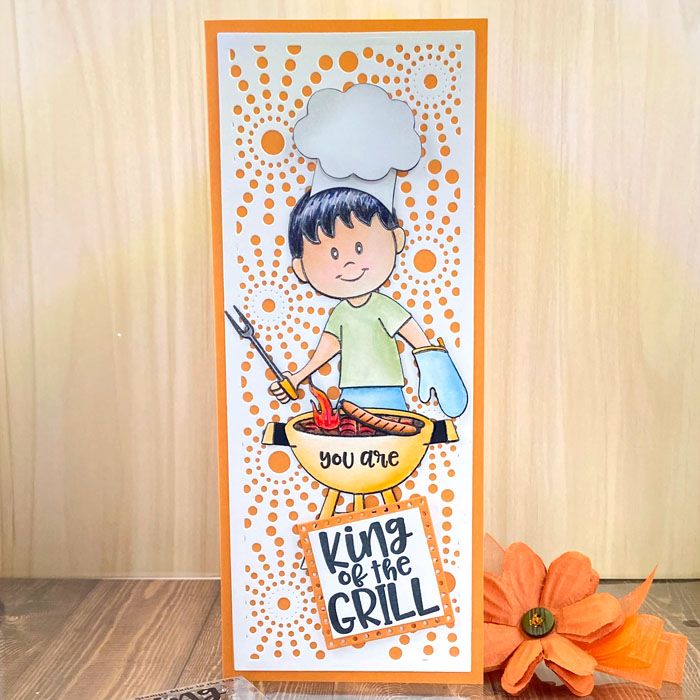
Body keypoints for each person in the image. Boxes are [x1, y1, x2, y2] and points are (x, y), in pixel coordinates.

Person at [269, 186, 468, 417]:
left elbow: (409, 329)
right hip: (351, 394)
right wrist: (296, 378)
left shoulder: (383, 306)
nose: (349, 264)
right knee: (349, 434)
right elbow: (329, 347)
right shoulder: (341, 313)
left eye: (359, 248)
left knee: (394, 433)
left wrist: (432, 359)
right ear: (301, 269)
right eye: (334, 254)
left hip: (389, 392)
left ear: (396, 239)